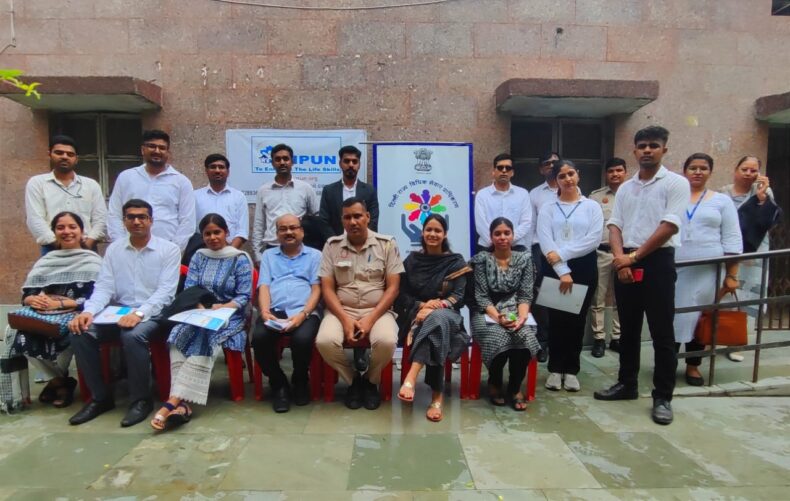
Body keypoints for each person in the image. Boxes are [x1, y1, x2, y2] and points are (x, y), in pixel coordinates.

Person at [593, 125, 690, 426]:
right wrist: (622, 261)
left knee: (662, 332)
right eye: (642, 146)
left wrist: (632, 258)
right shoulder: (627, 188)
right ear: (634, 151)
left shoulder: (675, 183)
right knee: (629, 329)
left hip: (657, 262)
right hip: (627, 260)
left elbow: (669, 226)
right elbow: (615, 225)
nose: (647, 150)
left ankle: (663, 396)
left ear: (664, 149)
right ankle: (627, 384)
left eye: (654, 145)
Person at [68, 199, 181, 427]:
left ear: (151, 220)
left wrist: (139, 314)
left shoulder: (169, 250)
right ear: (124, 221)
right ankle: (100, 398)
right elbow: (104, 287)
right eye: (131, 217)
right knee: (80, 331)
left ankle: (141, 400)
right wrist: (88, 311)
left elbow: (165, 293)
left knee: (133, 335)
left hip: (153, 314)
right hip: (117, 313)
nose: (136, 221)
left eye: (142, 217)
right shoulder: (114, 250)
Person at [151, 213, 253, 430]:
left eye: (217, 232)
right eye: (208, 233)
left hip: (230, 315)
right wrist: (200, 309)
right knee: (177, 334)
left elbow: (244, 296)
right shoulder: (199, 256)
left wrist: (222, 308)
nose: (213, 237)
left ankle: (172, 401)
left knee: (207, 335)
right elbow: (191, 288)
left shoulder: (239, 258)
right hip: (199, 311)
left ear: (226, 233)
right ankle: (182, 404)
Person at [2, 212, 101, 410]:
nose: (67, 232)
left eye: (72, 227)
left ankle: (57, 382)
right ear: (54, 232)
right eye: (60, 227)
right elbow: (27, 295)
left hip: (77, 313)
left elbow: (96, 297)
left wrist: (61, 305)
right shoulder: (46, 261)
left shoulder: (93, 261)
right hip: (43, 314)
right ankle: (60, 381)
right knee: (13, 332)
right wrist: (35, 299)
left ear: (82, 231)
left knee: (71, 328)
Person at [316, 197, 403, 410]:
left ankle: (370, 381)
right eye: (347, 217)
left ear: (367, 217)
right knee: (324, 341)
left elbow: (393, 288)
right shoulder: (332, 246)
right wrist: (345, 320)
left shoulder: (386, 244)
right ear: (342, 221)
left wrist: (370, 319)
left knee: (387, 341)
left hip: (378, 311)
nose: (353, 221)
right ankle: (354, 379)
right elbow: (327, 288)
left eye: (357, 216)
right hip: (341, 311)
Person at [674, 154, 742, 385]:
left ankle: (693, 366)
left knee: (700, 319)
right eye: (692, 167)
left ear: (710, 172)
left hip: (708, 273)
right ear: (684, 171)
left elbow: (732, 239)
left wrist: (732, 275)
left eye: (703, 168)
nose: (697, 172)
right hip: (675, 271)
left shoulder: (721, 201)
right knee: (671, 318)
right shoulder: (674, 198)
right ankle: (667, 363)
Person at [396, 214, 471, 422]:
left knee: (437, 320)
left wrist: (438, 306)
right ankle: (437, 398)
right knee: (436, 328)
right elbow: (402, 295)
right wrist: (422, 306)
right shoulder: (412, 261)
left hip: (449, 315)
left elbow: (459, 296)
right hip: (417, 314)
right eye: (429, 229)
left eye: (438, 230)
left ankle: (411, 376)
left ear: (445, 234)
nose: (433, 234)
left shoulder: (455, 261)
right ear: (422, 232)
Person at [538, 160, 602, 392]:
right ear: (556, 180)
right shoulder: (548, 208)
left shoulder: (591, 206)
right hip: (553, 268)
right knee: (556, 321)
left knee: (576, 321)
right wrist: (562, 271)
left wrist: (562, 255)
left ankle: (571, 370)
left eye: (571, 174)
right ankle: (555, 369)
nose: (567, 179)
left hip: (583, 267)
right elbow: (545, 239)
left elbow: (593, 239)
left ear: (578, 175)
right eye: (562, 176)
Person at [252, 214, 322, 413]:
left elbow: (317, 289)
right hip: (275, 310)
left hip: (304, 310)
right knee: (259, 338)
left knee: (302, 340)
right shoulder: (268, 256)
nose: (288, 232)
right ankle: (279, 383)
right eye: (283, 229)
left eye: (293, 228)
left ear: (302, 231)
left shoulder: (315, 255)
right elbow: (264, 285)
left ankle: (300, 380)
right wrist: (264, 312)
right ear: (277, 234)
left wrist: (303, 314)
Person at [470, 217, 538, 411]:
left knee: (525, 336)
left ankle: (515, 388)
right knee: (497, 336)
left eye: (506, 233)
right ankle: (495, 382)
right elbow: (481, 296)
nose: (502, 237)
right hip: (486, 311)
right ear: (491, 237)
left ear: (513, 236)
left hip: (516, 310)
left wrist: (521, 318)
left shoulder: (524, 259)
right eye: (497, 234)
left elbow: (525, 294)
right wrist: (498, 317)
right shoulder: (482, 260)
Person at [720, 155, 780, 362]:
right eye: (745, 169)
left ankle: (736, 343)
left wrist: (762, 198)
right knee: (725, 293)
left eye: (753, 170)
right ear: (736, 170)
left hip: (755, 252)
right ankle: (714, 337)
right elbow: (728, 220)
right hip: (731, 250)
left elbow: (770, 221)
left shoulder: (764, 192)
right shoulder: (724, 192)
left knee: (748, 298)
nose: (749, 174)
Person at [107, 130, 196, 253]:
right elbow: (114, 214)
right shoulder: (126, 178)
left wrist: (174, 250)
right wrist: (121, 246)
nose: (157, 151)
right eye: (152, 146)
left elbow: (187, 221)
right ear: (143, 150)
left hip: (167, 250)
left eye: (162, 148)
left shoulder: (181, 182)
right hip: (129, 249)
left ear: (168, 152)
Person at [25, 135, 106, 253]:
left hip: (87, 248)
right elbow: (35, 219)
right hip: (52, 248)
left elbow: (100, 218)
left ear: (76, 159)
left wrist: (87, 244)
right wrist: (59, 244)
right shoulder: (37, 183)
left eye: (70, 154)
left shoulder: (91, 185)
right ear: (49, 155)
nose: (64, 157)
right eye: (59, 153)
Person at [251, 143, 318, 261]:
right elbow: (259, 224)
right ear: (272, 163)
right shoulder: (263, 190)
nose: (282, 162)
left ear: (292, 162)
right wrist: (257, 254)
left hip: (300, 249)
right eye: (277, 159)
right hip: (272, 249)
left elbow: (317, 219)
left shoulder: (305, 188)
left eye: (286, 159)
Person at [588, 158, 626, 357]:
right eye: (611, 171)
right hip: (602, 253)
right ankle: (599, 339)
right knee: (598, 298)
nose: (615, 174)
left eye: (619, 170)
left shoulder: (633, 194)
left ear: (625, 173)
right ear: (606, 174)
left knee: (622, 297)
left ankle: (617, 337)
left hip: (626, 255)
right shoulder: (596, 197)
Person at [528, 151, 560, 363]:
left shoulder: (572, 191)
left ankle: (561, 345)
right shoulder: (535, 194)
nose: (551, 166)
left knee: (564, 299)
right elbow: (531, 225)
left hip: (567, 252)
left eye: (554, 163)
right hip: (540, 250)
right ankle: (544, 343)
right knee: (542, 298)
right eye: (546, 163)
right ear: (541, 169)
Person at [473, 153, 532, 252]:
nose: (504, 171)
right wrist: (496, 242)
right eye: (500, 167)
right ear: (493, 171)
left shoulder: (523, 194)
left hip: (516, 246)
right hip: (488, 246)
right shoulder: (482, 195)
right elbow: (480, 224)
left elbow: (526, 223)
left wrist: (507, 240)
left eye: (508, 168)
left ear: (512, 172)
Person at [319, 145, 379, 236]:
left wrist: (362, 241)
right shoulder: (329, 191)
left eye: (354, 161)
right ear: (340, 164)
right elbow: (323, 222)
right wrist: (336, 242)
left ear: (359, 165)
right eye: (346, 161)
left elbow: (373, 221)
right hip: (336, 245)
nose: (351, 165)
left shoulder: (370, 191)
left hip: (363, 244)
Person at [193, 153, 250, 249]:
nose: (217, 170)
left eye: (221, 167)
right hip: (202, 251)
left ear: (228, 172)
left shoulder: (238, 196)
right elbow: (191, 229)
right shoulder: (195, 196)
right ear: (206, 171)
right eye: (213, 167)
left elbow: (242, 231)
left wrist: (229, 253)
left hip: (231, 251)